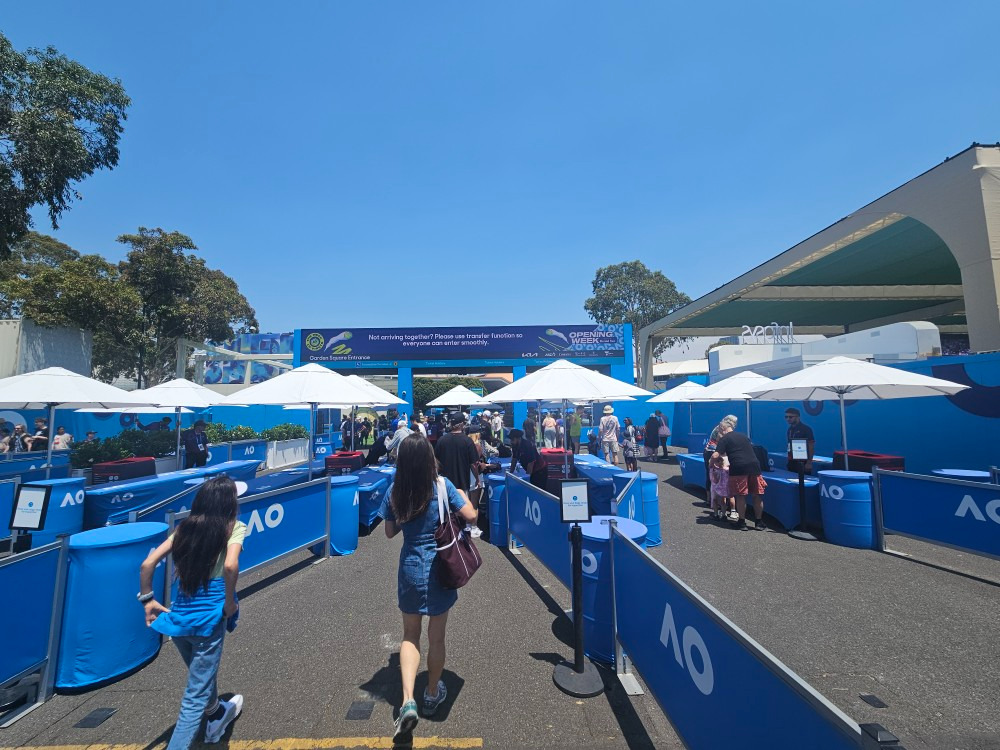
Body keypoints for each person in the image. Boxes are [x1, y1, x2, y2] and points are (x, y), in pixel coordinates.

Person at [378, 434, 478, 742]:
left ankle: (408, 700)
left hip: (410, 566)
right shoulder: (443, 486)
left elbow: (390, 532)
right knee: (437, 637)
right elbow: (471, 516)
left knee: (410, 635)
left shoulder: (396, 490)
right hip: (440, 568)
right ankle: (432, 693)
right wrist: (462, 495)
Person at [139, 476, 246, 748]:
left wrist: (148, 599)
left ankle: (216, 713)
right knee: (194, 696)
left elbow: (148, 563)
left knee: (201, 674)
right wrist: (230, 602)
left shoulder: (184, 529)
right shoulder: (233, 527)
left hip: (180, 614)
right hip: (209, 616)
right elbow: (230, 566)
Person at [434, 413, 481, 538]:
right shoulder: (467, 441)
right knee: (461, 512)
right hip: (462, 482)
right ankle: (460, 536)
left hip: (443, 483)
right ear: (462, 424)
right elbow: (474, 464)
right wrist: (477, 479)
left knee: (445, 511)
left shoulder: (442, 440)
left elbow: (435, 461)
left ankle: (446, 534)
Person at [712, 423, 767, 530]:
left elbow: (716, 454)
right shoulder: (743, 436)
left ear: (722, 428)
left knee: (741, 495)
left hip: (739, 468)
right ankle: (759, 522)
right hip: (754, 466)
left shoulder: (724, 439)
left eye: (719, 430)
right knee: (757, 494)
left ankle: (742, 522)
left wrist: (711, 464)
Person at [704, 415, 738, 508]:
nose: (735, 424)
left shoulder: (720, 427)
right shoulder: (721, 428)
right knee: (715, 475)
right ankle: (715, 500)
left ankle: (713, 500)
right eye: (734, 422)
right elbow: (722, 442)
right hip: (713, 452)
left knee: (713, 475)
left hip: (712, 451)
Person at [784, 408, 815, 475]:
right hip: (791, 461)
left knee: (803, 480)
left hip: (803, 462)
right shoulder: (789, 429)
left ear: (798, 417)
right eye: (786, 417)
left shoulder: (806, 429)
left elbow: (811, 447)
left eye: (790, 417)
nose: (788, 419)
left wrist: (809, 463)